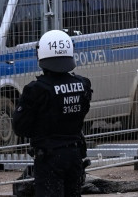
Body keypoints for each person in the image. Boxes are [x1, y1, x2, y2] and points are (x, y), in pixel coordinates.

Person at [12, 29, 93, 197]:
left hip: (49, 158)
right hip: (75, 155)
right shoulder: (83, 84)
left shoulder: (36, 90)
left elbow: (20, 127)